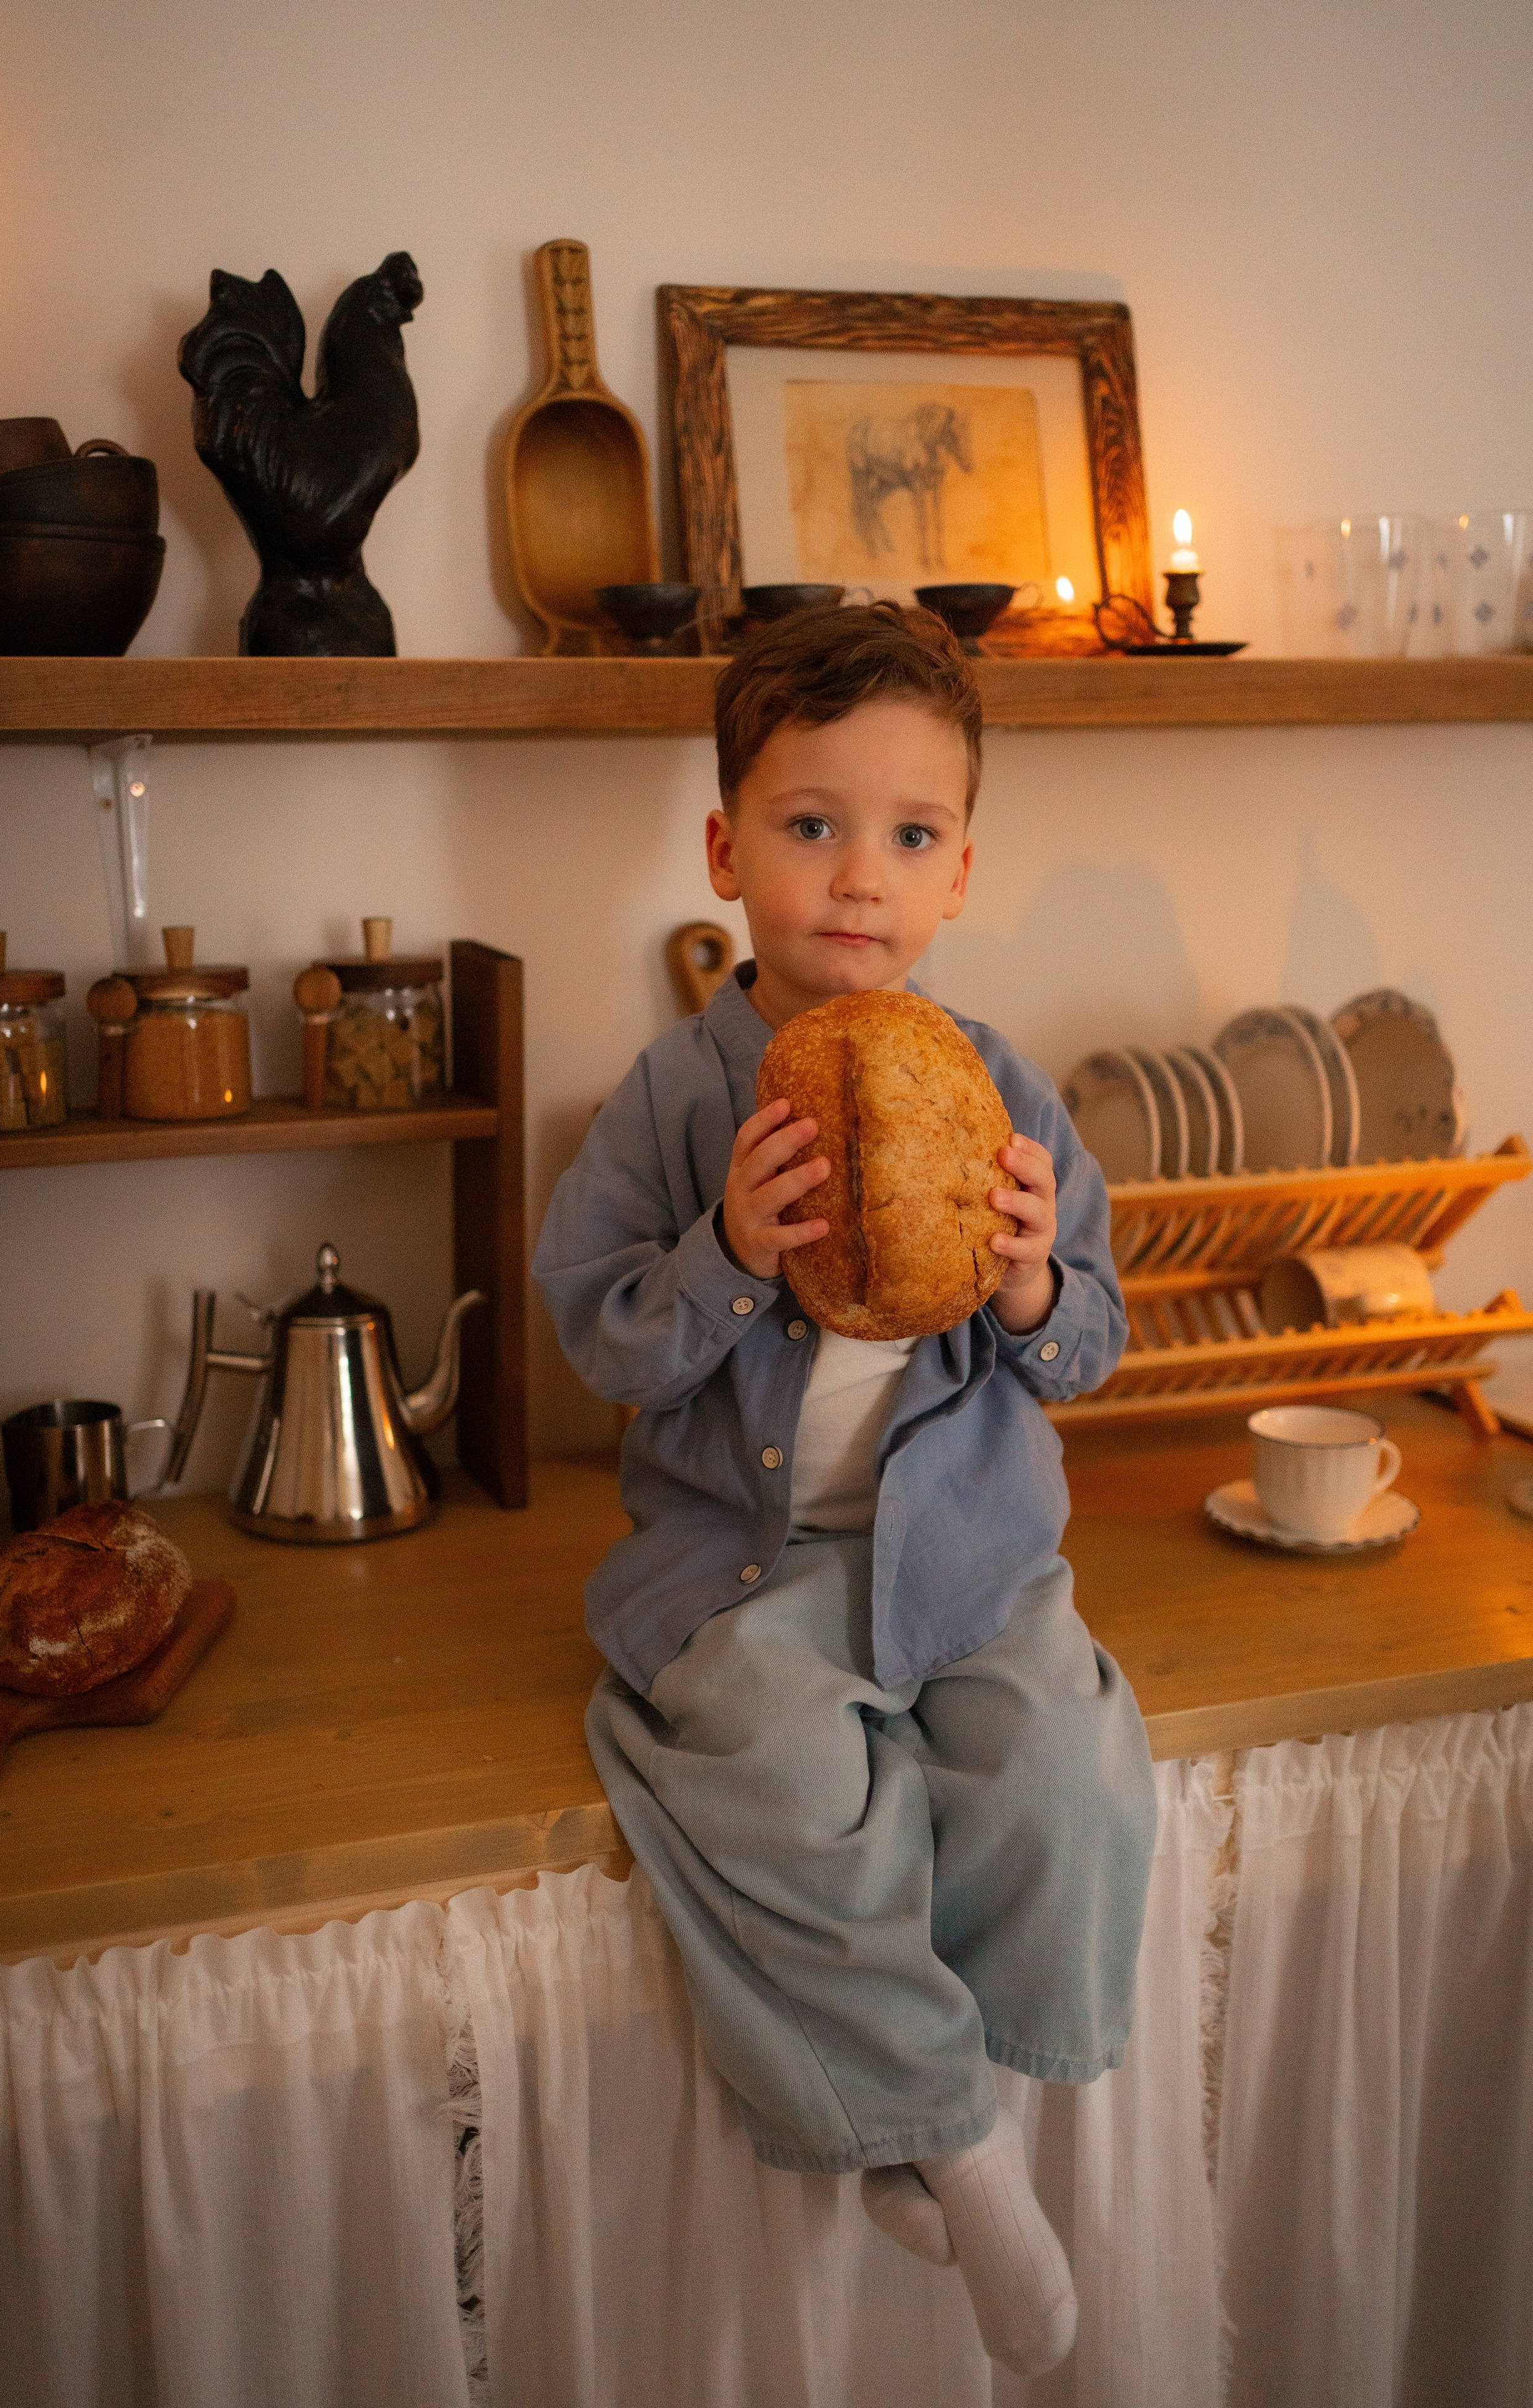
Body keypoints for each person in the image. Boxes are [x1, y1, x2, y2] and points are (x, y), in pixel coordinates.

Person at [533, 603, 1156, 2375]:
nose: (859, 876)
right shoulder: (673, 1101)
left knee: (1068, 1766)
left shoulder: (1005, 1092)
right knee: (783, 1778)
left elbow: (1091, 1345)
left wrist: (1028, 1286)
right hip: (748, 1564)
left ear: (962, 869)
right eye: (810, 825)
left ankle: (962, 2114)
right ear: (726, 851)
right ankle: (950, 2138)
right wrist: (731, 1253)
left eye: (910, 833)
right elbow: (595, 1339)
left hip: (965, 1556)